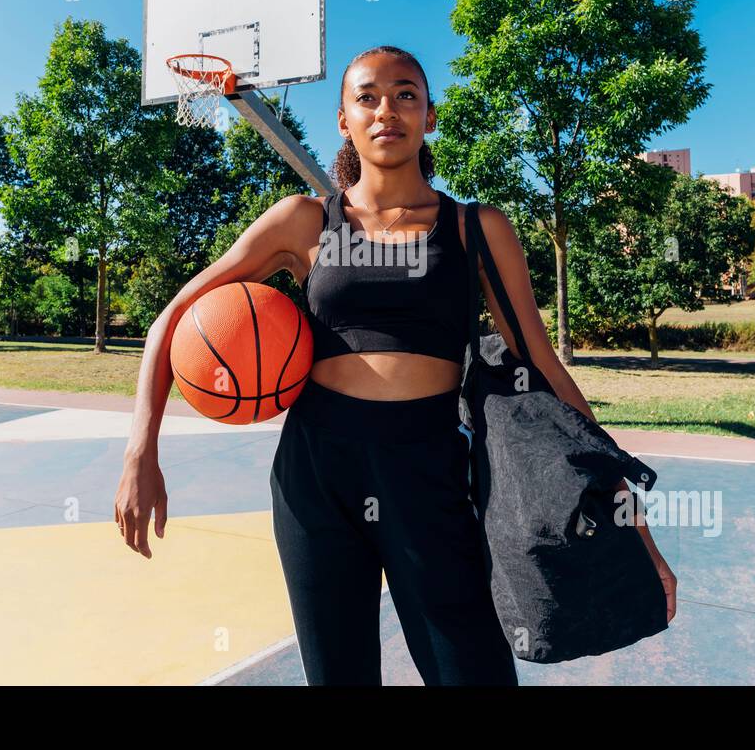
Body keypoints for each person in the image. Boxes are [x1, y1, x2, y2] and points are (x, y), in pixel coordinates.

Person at [115, 45, 678, 685]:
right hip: (315, 471)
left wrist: (626, 511)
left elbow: (541, 365)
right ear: (344, 120)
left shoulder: (476, 228)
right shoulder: (303, 222)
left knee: (473, 674)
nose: (388, 110)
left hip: (429, 470)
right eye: (368, 97)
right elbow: (172, 320)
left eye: (406, 94)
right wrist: (140, 452)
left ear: (430, 115)